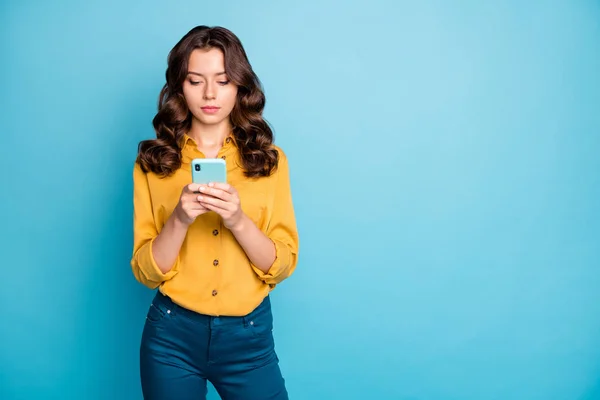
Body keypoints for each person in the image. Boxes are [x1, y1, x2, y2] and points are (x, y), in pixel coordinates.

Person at [130, 25, 299, 400]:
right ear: (179, 87)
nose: (209, 94)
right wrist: (179, 219)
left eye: (222, 81)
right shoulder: (152, 163)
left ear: (240, 87)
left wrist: (238, 220)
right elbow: (144, 270)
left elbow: (282, 264)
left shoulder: (270, 161)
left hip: (249, 336)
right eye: (195, 80)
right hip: (171, 336)